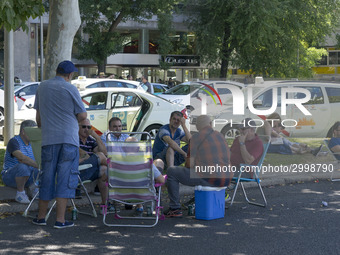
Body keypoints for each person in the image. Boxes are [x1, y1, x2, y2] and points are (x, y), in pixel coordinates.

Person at [33, 60, 87, 228]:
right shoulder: (70, 88)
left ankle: (41, 217)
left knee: (47, 177)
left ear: (56, 71)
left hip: (49, 139)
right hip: (69, 139)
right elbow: (83, 115)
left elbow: (39, 120)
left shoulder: (42, 87)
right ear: (70, 75)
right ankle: (60, 220)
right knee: (65, 178)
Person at [164, 115, 232, 218]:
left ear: (197, 127)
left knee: (172, 171)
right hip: (226, 178)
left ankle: (175, 208)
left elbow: (189, 165)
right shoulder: (220, 135)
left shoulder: (196, 138)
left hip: (210, 177)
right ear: (210, 124)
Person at [123, 137, 166, 216]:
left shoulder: (115, 163)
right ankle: (144, 205)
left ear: (123, 148)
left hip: (122, 194)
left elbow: (105, 178)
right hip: (144, 193)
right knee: (158, 167)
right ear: (138, 148)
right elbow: (162, 180)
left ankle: (139, 206)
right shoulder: (146, 163)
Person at [1, 120, 39, 204]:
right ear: (23, 132)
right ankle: (20, 194)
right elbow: (21, 158)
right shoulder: (14, 141)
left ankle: (34, 190)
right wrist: (38, 165)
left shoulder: (33, 144)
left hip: (27, 177)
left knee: (43, 166)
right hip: (10, 177)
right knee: (23, 166)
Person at [256, 112, 321, 155]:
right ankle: (305, 150)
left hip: (265, 145)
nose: (277, 124)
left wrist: (276, 135)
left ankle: (309, 150)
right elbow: (268, 138)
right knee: (281, 144)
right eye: (277, 122)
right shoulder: (267, 123)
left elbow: (270, 136)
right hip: (263, 146)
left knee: (282, 144)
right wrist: (276, 135)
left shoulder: (269, 125)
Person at [78, 119, 108, 205]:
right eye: (84, 127)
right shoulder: (74, 139)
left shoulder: (90, 140)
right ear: (77, 127)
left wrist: (96, 136)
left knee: (104, 170)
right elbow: (100, 155)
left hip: (88, 170)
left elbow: (104, 153)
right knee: (100, 155)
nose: (86, 129)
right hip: (78, 171)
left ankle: (104, 204)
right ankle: (118, 169)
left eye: (89, 127)